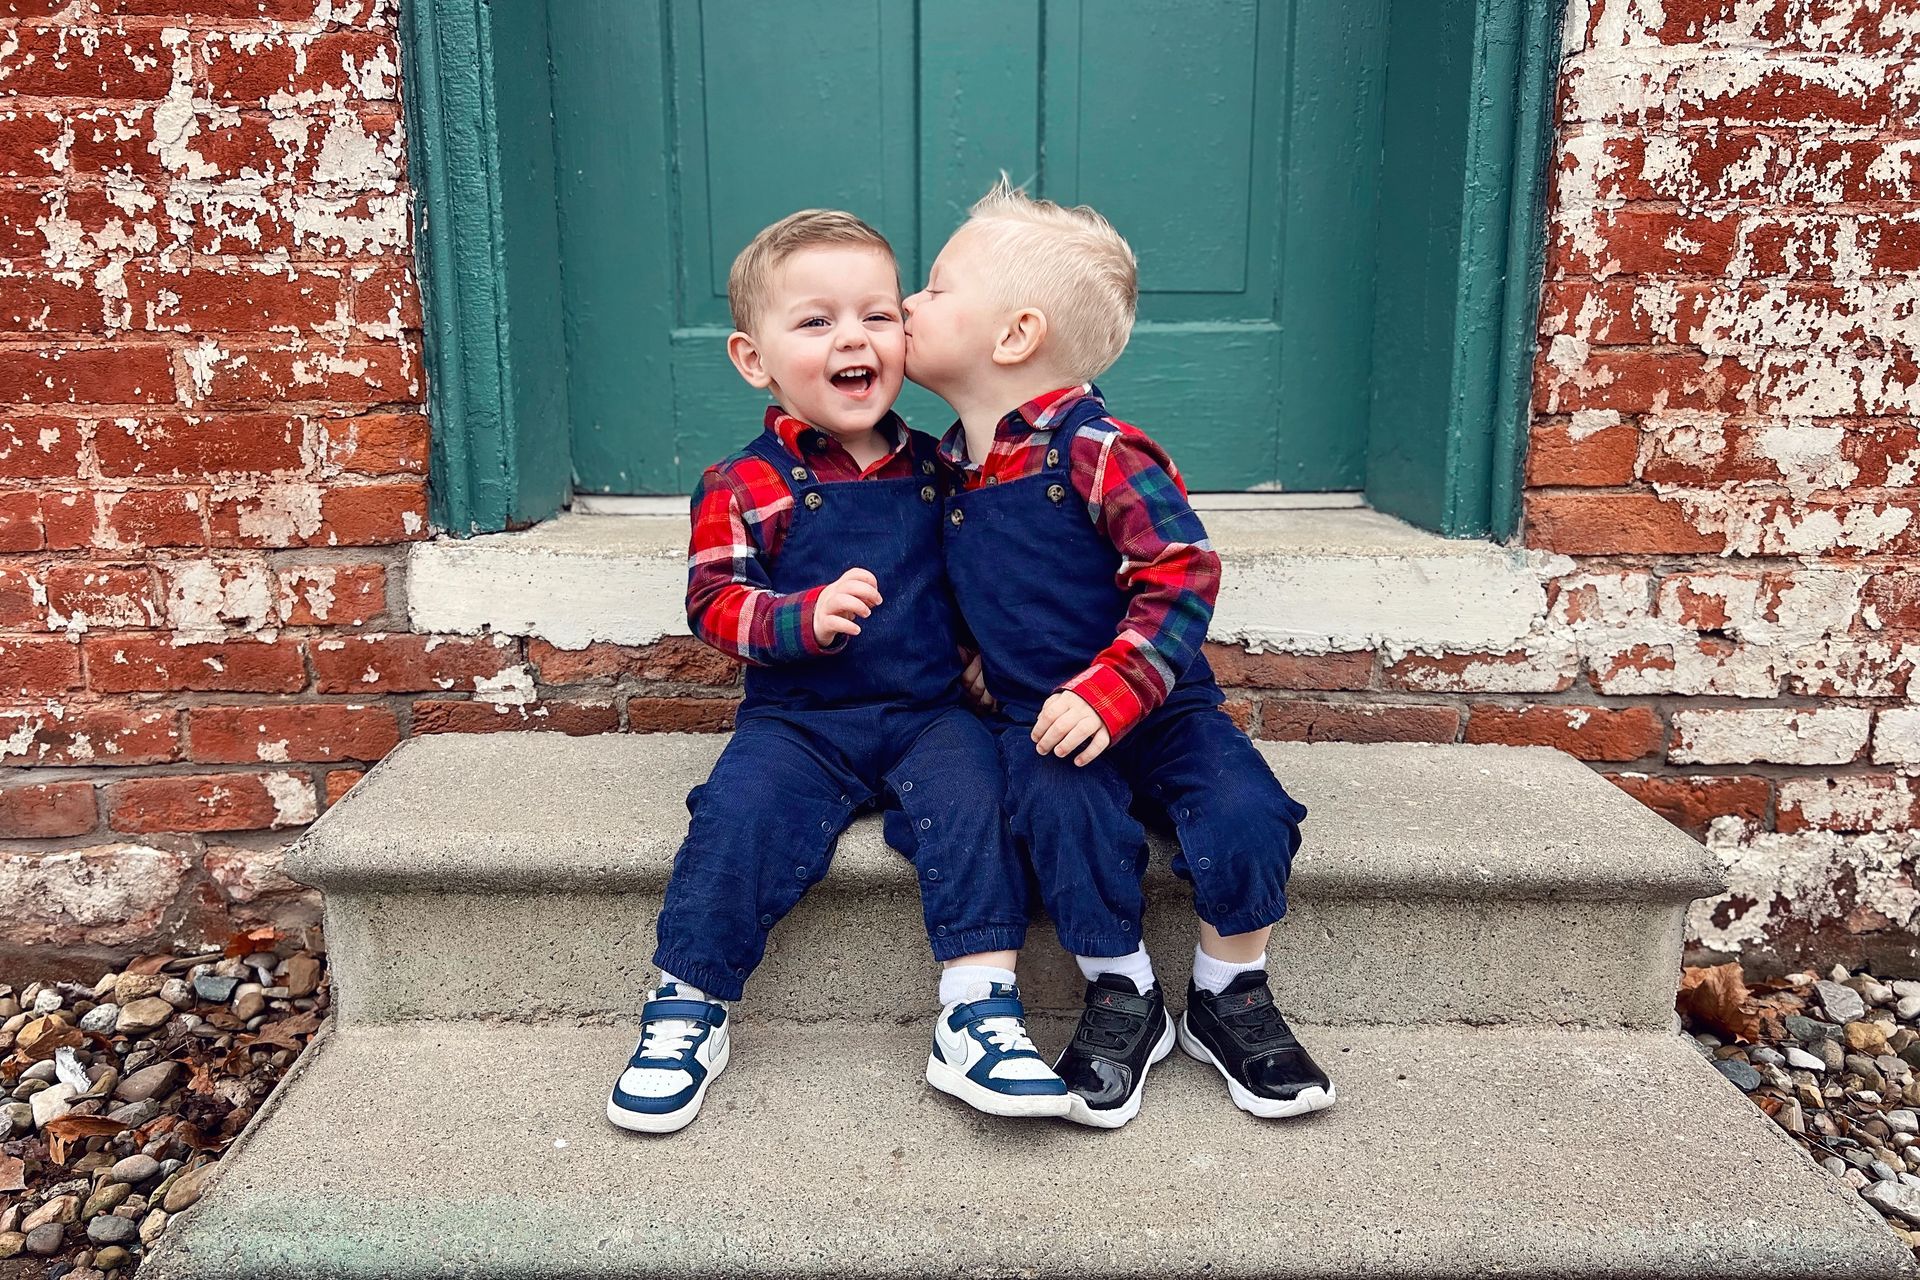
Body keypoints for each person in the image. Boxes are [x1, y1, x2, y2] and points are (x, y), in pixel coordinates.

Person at [606, 210, 1069, 1134]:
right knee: (736, 813)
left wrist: (983, 660)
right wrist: (798, 617)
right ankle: (688, 1000)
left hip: (930, 710)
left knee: (979, 795)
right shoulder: (745, 483)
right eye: (815, 322)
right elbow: (714, 602)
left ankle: (978, 1012)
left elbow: (978, 583)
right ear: (754, 358)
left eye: (877, 315)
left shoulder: (945, 470)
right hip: (801, 719)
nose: (852, 337)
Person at [903, 179, 1337, 1128]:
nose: (907, 304)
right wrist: (973, 661)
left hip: (1158, 705)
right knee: (1060, 818)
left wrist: (1113, 689)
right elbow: (966, 586)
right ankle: (1123, 988)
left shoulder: (1099, 449)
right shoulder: (941, 468)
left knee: (1246, 812)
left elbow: (1181, 573)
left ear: (1013, 337)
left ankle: (1232, 990)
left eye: (933, 290)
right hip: (1040, 719)